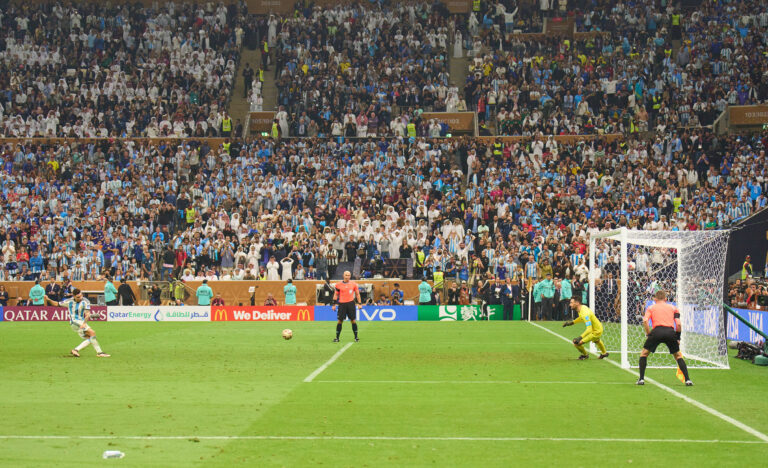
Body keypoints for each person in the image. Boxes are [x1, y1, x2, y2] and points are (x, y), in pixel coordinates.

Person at [636, 290, 693, 386]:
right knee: (678, 355)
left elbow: (645, 321)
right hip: (670, 332)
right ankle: (687, 380)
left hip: (656, 331)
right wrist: (678, 337)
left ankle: (641, 379)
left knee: (644, 354)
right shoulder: (673, 308)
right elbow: (678, 324)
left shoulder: (651, 307)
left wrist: (649, 334)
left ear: (655, 299)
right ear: (666, 299)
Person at [45, 288, 110, 358]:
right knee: (92, 333)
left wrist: (84, 323)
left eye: (81, 295)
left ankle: (75, 350)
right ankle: (100, 353)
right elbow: (57, 304)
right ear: (74, 296)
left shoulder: (85, 301)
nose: (80, 298)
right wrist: (49, 300)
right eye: (78, 297)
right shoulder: (69, 301)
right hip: (74, 321)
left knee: (91, 338)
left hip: (82, 321)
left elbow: (87, 314)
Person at [563, 295, 609, 360]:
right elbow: (581, 318)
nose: (570, 305)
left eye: (571, 303)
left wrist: (579, 338)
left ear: (577, 303)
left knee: (576, 343)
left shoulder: (585, 313)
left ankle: (585, 355)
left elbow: (589, 329)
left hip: (596, 331)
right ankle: (604, 353)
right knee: (597, 341)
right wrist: (571, 323)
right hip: (598, 327)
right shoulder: (582, 308)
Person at [332, 270, 362, 342]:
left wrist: (359, 303)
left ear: (350, 276)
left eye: (349, 275)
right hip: (342, 304)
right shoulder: (338, 285)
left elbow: (357, 294)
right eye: (346, 275)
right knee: (340, 321)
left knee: (353, 320)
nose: (347, 277)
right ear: (343, 275)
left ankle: (356, 337)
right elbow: (336, 294)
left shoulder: (354, 284)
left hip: (351, 304)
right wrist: (333, 304)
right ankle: (337, 338)